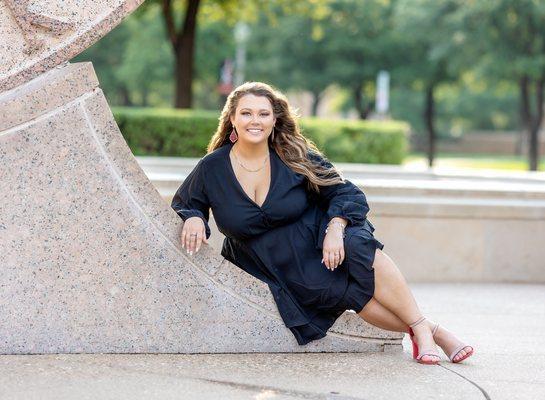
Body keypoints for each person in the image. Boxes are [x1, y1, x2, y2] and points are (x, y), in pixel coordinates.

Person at [171, 81, 474, 365]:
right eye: (246, 113)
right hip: (271, 261)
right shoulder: (213, 167)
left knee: (357, 245)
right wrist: (195, 216)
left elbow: (345, 191)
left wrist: (336, 227)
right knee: (354, 295)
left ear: (274, 120)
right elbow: (187, 201)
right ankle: (433, 331)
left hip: (317, 237)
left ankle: (421, 329)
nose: (255, 120)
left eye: (263, 113)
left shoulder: (293, 155)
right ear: (232, 120)